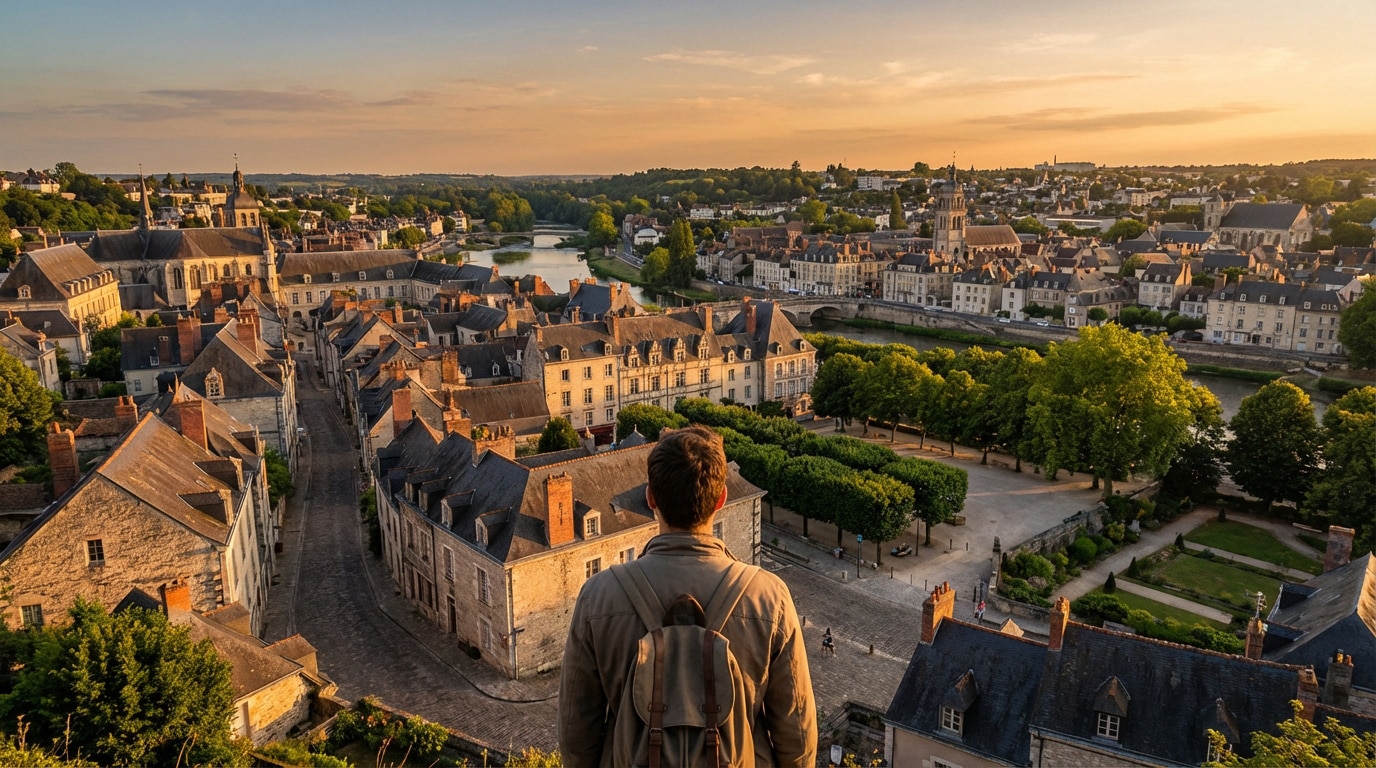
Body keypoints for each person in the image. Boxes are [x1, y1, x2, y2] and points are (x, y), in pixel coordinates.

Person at [559, 426, 817, 767]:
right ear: (722, 499)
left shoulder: (598, 596)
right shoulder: (769, 597)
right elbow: (796, 736)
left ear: (650, 498)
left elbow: (577, 737)